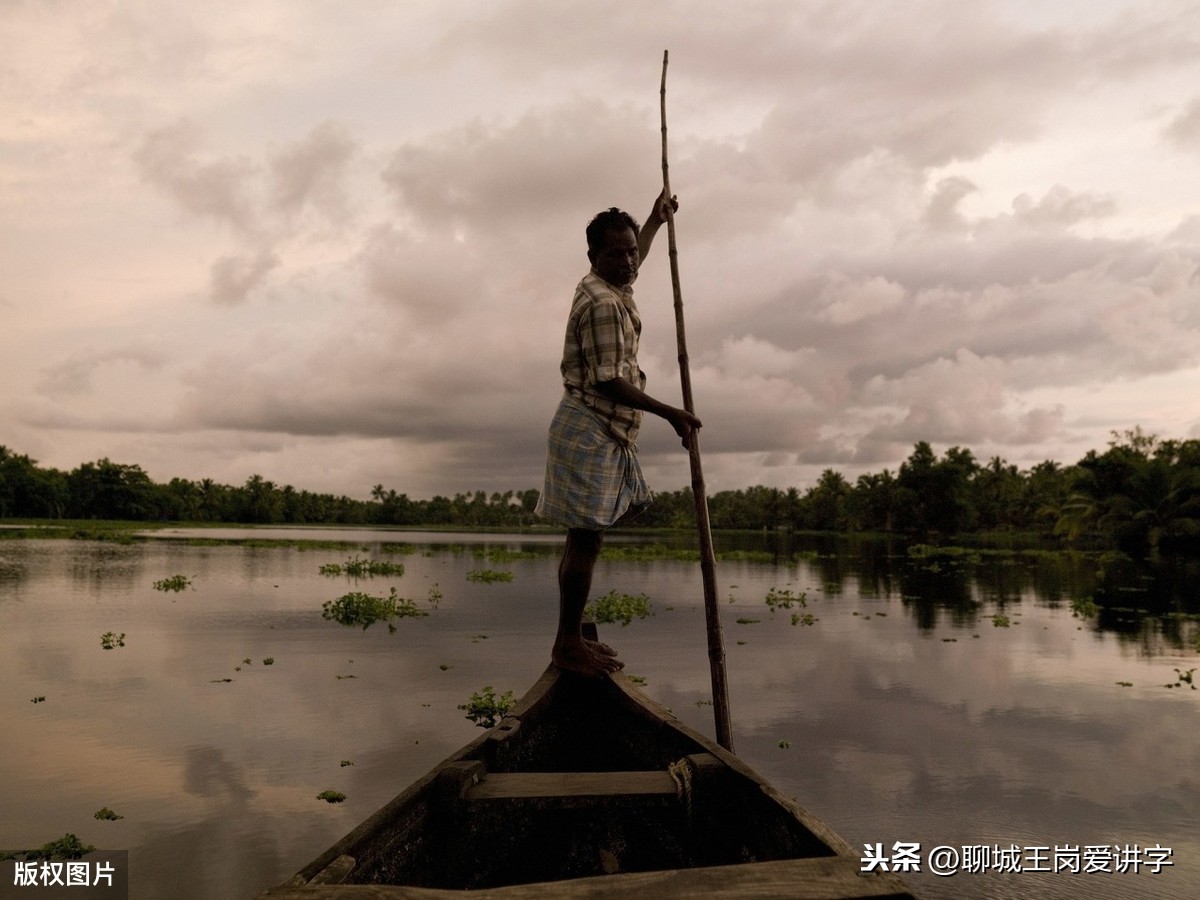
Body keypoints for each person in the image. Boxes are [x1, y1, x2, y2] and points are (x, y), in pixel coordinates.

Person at [535, 191, 701, 677]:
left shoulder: (606, 282)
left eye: (631, 251)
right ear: (593, 255)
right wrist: (671, 412)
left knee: (583, 539)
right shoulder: (604, 304)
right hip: (591, 427)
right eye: (617, 253)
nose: (629, 261)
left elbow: (635, 257)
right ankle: (568, 645)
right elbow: (608, 380)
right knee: (586, 541)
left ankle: (572, 636)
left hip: (598, 427)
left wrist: (654, 221)